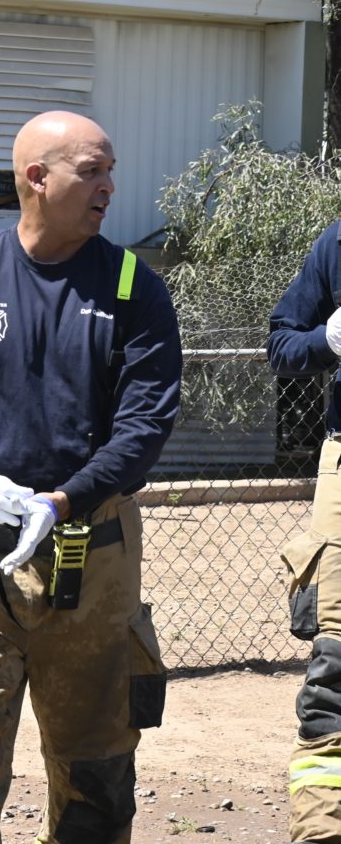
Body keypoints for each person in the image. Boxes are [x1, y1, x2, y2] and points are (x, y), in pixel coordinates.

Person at [0, 110, 183, 844]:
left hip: (94, 559)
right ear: (37, 178)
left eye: (111, 171)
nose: (109, 187)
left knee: (96, 786)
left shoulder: (133, 289)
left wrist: (64, 500)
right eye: (92, 171)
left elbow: (144, 427)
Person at [268, 218, 341, 844]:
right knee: (336, 671)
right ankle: (322, 831)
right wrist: (328, 340)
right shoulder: (337, 244)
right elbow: (282, 344)